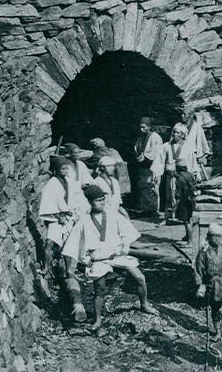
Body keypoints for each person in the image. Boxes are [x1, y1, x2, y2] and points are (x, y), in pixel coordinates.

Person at [78, 184, 158, 328]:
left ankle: (144, 304)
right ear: (90, 202)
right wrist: (87, 261)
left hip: (116, 256)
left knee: (140, 277)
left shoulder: (113, 214)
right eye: (98, 200)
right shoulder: (84, 221)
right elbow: (77, 246)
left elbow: (128, 232)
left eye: (103, 199)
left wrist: (125, 246)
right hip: (99, 259)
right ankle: (98, 319)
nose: (102, 202)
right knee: (100, 289)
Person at [38, 155, 90, 321]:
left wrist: (75, 213)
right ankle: (46, 268)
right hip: (56, 219)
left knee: (69, 246)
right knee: (49, 243)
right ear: (55, 170)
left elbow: (77, 198)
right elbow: (48, 203)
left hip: (68, 217)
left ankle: (69, 270)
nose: (65, 171)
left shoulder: (70, 182)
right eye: (62, 169)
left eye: (67, 168)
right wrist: (56, 215)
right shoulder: (52, 185)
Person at [194, 223, 222, 342]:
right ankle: (217, 332)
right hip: (211, 284)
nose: (216, 239)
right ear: (209, 237)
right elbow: (198, 270)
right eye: (213, 236)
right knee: (215, 309)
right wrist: (200, 285)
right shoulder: (204, 252)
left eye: (218, 236)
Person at [163, 122, 196, 241]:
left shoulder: (188, 147)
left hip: (182, 177)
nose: (175, 134)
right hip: (171, 176)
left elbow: (192, 163)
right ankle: (168, 217)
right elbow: (160, 160)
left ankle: (189, 236)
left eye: (178, 132)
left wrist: (191, 174)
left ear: (182, 134)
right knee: (169, 197)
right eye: (174, 132)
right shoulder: (166, 146)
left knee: (181, 202)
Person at [133, 117, 165, 216]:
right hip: (143, 167)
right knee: (143, 187)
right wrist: (138, 155)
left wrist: (146, 156)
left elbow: (157, 150)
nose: (141, 129)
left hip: (152, 166)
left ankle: (154, 209)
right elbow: (136, 147)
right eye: (140, 127)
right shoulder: (140, 137)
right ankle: (145, 208)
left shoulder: (155, 137)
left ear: (149, 127)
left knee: (152, 187)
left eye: (143, 127)